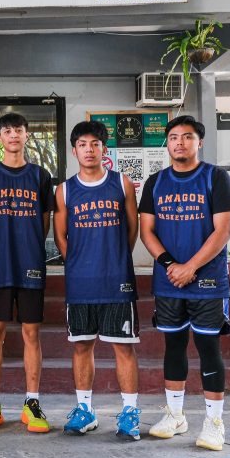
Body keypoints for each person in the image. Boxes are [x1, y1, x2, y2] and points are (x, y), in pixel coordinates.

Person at [139, 115, 230, 452]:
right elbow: (147, 231)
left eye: (187, 137)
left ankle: (214, 423)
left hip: (208, 280)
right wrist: (172, 265)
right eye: (173, 137)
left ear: (199, 142)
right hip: (169, 282)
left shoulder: (216, 178)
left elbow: (223, 231)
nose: (179, 142)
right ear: (166, 144)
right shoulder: (155, 183)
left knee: (208, 348)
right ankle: (175, 415)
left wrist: (191, 267)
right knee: (173, 347)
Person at [54, 120, 142, 441]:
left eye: (95, 144)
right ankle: (85, 411)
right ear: (74, 149)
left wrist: (115, 256)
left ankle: (130, 412)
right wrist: (77, 262)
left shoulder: (122, 184)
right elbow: (60, 235)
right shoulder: (64, 190)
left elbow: (132, 229)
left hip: (116, 279)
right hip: (80, 282)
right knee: (81, 346)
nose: (89, 149)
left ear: (104, 149)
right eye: (82, 144)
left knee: (123, 348)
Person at [0, 112, 55, 434]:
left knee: (31, 334)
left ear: (25, 135)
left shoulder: (40, 175)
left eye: (19, 130)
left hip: (30, 264)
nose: (13, 135)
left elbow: (45, 221)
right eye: (7, 131)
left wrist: (28, 242)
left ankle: (32, 402)